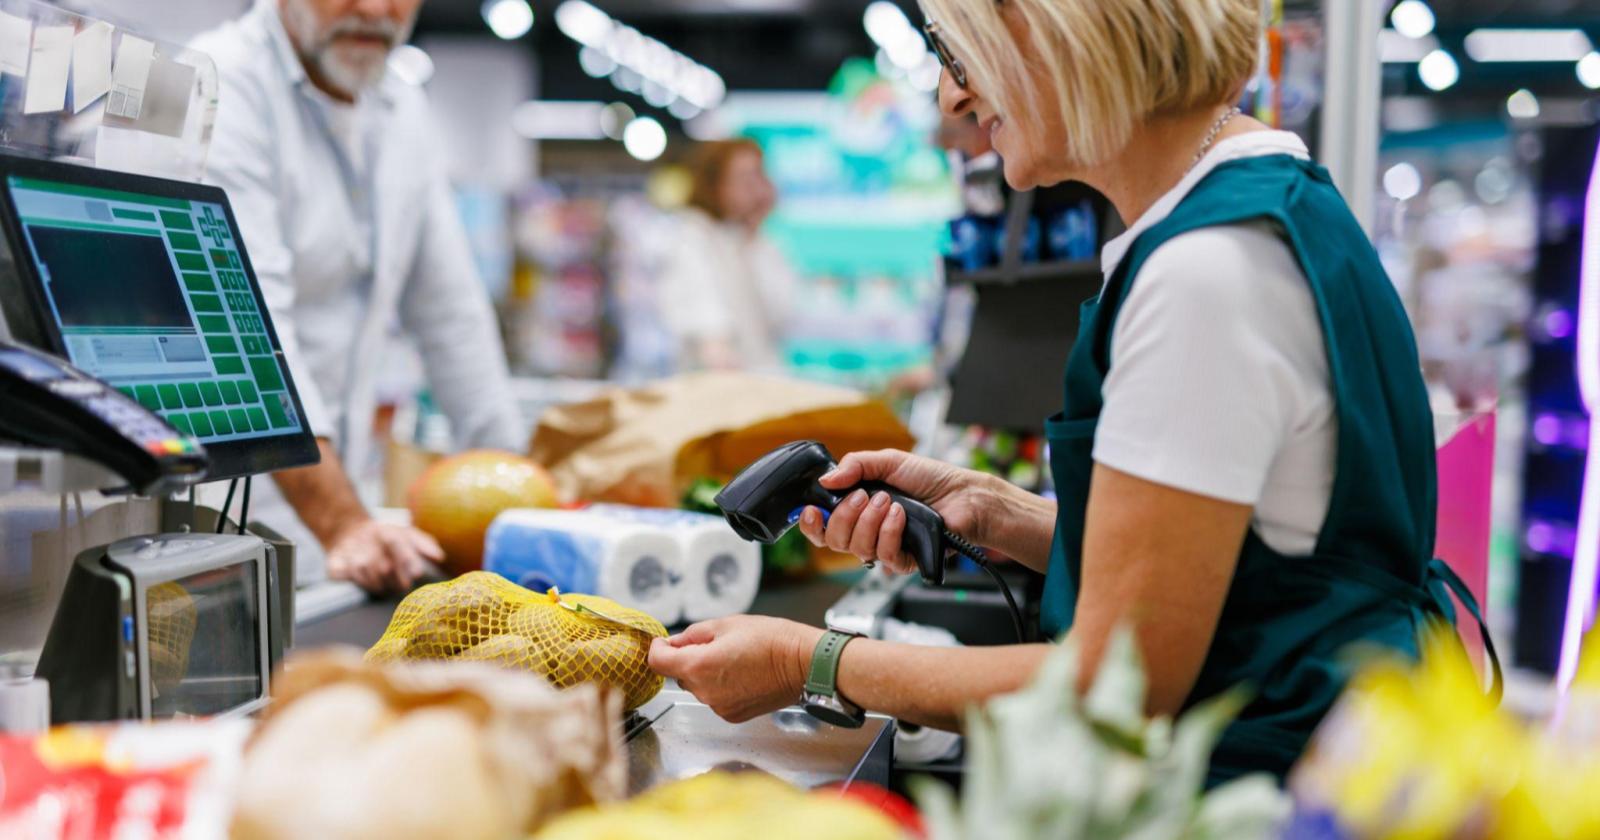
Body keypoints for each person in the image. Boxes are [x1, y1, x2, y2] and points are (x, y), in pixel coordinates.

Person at [649, 0, 1493, 785]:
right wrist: (994, 511)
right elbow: (1252, 570)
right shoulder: (1273, 207)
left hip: (1265, 783)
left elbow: (1112, 683)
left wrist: (811, 663)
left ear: (1050, 26)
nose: (951, 97)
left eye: (956, 50)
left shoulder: (1203, 276)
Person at [193, 0, 524, 592]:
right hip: (216, 526)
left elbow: (453, 319)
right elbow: (248, 325)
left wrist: (519, 505)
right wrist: (342, 521)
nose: (374, 9)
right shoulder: (219, 83)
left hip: (336, 531)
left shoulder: (402, 108)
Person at [659, 139, 798, 372]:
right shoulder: (693, 235)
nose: (754, 187)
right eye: (743, 177)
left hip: (761, 377)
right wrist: (715, 345)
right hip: (719, 382)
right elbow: (700, 304)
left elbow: (780, 313)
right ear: (716, 184)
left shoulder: (757, 241)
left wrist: (754, 236)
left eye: (758, 175)